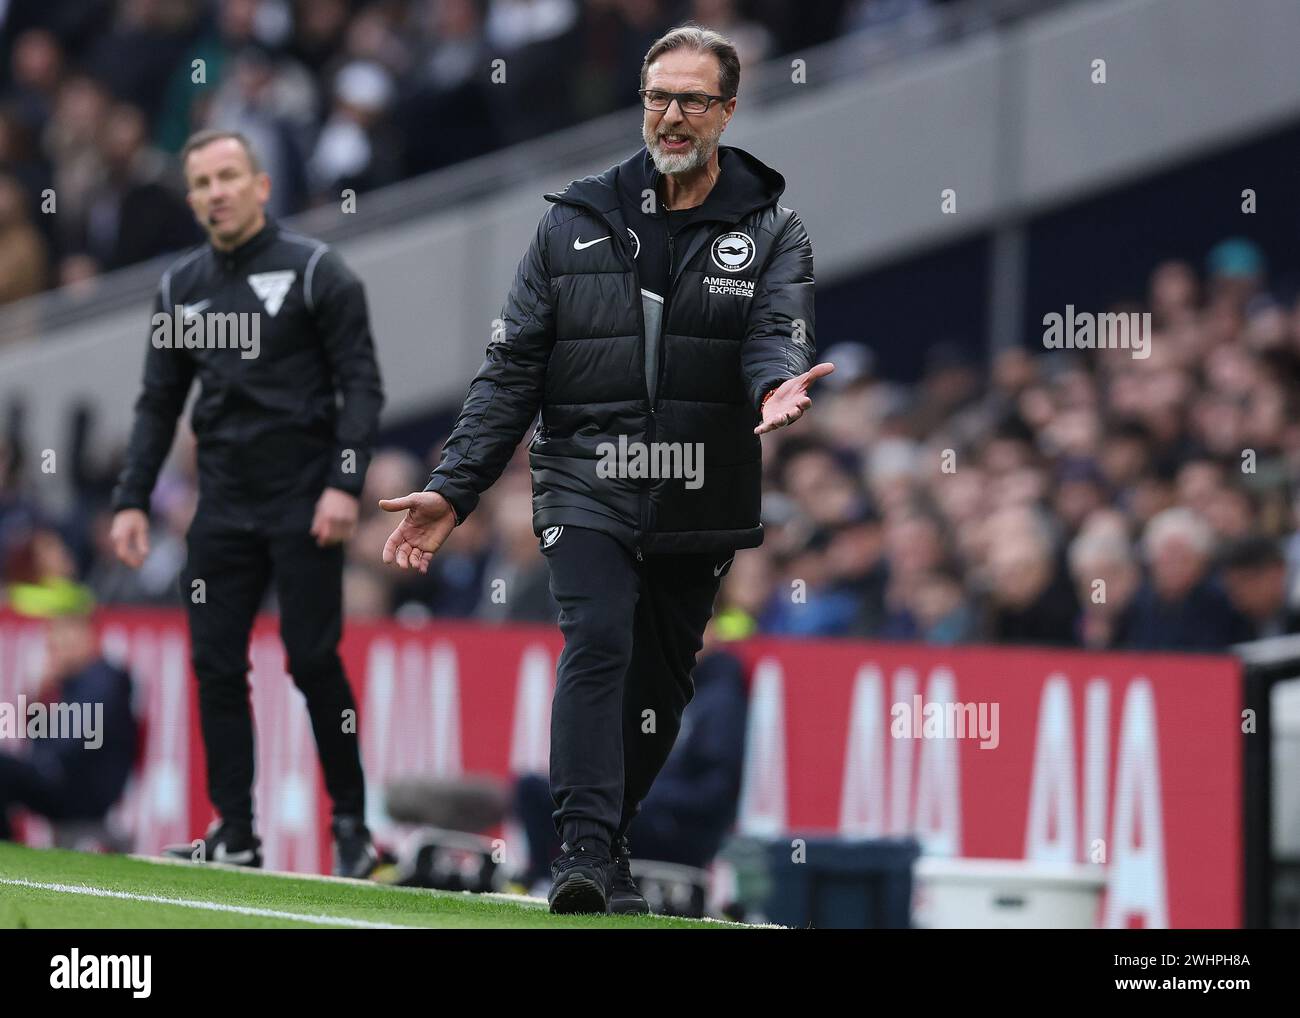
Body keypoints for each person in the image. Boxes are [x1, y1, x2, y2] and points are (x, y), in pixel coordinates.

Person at [379, 25, 830, 914]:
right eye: (657, 96)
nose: (671, 115)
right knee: (599, 640)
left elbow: (778, 331)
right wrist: (454, 487)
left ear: (728, 112)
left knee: (661, 684)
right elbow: (511, 370)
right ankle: (580, 852)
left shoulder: (774, 230)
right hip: (587, 475)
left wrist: (776, 383)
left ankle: (606, 842)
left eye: (692, 100)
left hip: (702, 485)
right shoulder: (573, 221)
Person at [108, 129, 385, 876]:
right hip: (223, 507)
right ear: (192, 198)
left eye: (229, 176)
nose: (216, 192)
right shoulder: (179, 287)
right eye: (201, 182)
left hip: (305, 500)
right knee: (215, 665)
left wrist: (344, 483)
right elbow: (157, 403)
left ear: (261, 186)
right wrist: (132, 498)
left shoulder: (318, 272)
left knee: (311, 659)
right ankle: (235, 830)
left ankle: (353, 827)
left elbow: (362, 386)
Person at [0, 580, 137, 843]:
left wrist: (38, 765)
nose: (54, 643)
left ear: (85, 635)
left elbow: (71, 742)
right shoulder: (72, 681)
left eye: (62, 634)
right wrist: (40, 699)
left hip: (84, 790)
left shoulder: (103, 679)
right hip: (64, 779)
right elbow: (40, 742)